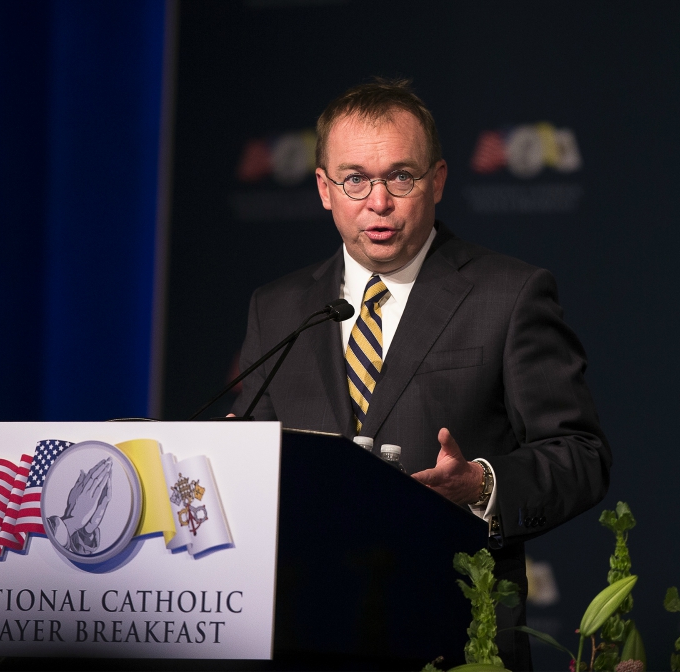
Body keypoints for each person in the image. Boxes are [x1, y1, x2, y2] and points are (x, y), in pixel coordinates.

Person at [231, 78, 611, 670]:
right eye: (355, 179)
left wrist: (484, 486)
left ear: (436, 181)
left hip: (454, 634)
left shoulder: (508, 295)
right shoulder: (276, 308)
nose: (377, 202)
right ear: (324, 189)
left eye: (400, 177)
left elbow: (582, 454)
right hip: (303, 630)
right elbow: (256, 455)